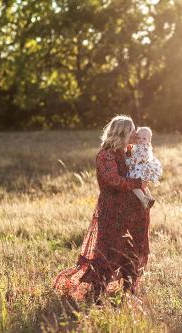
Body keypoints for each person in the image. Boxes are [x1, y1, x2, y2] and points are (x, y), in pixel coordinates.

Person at [53, 115, 151, 302]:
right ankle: (97, 294)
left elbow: (144, 164)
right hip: (113, 210)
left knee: (131, 251)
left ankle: (128, 292)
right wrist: (138, 182)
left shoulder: (130, 152)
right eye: (132, 131)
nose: (135, 134)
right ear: (122, 133)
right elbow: (113, 181)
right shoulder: (105, 155)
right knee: (109, 250)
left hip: (134, 210)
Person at [126, 126, 162, 209]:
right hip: (141, 169)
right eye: (139, 138)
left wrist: (127, 161)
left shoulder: (144, 148)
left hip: (140, 169)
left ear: (149, 140)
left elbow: (135, 160)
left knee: (134, 185)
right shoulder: (140, 146)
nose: (141, 140)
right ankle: (149, 197)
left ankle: (144, 200)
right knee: (143, 185)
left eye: (144, 138)